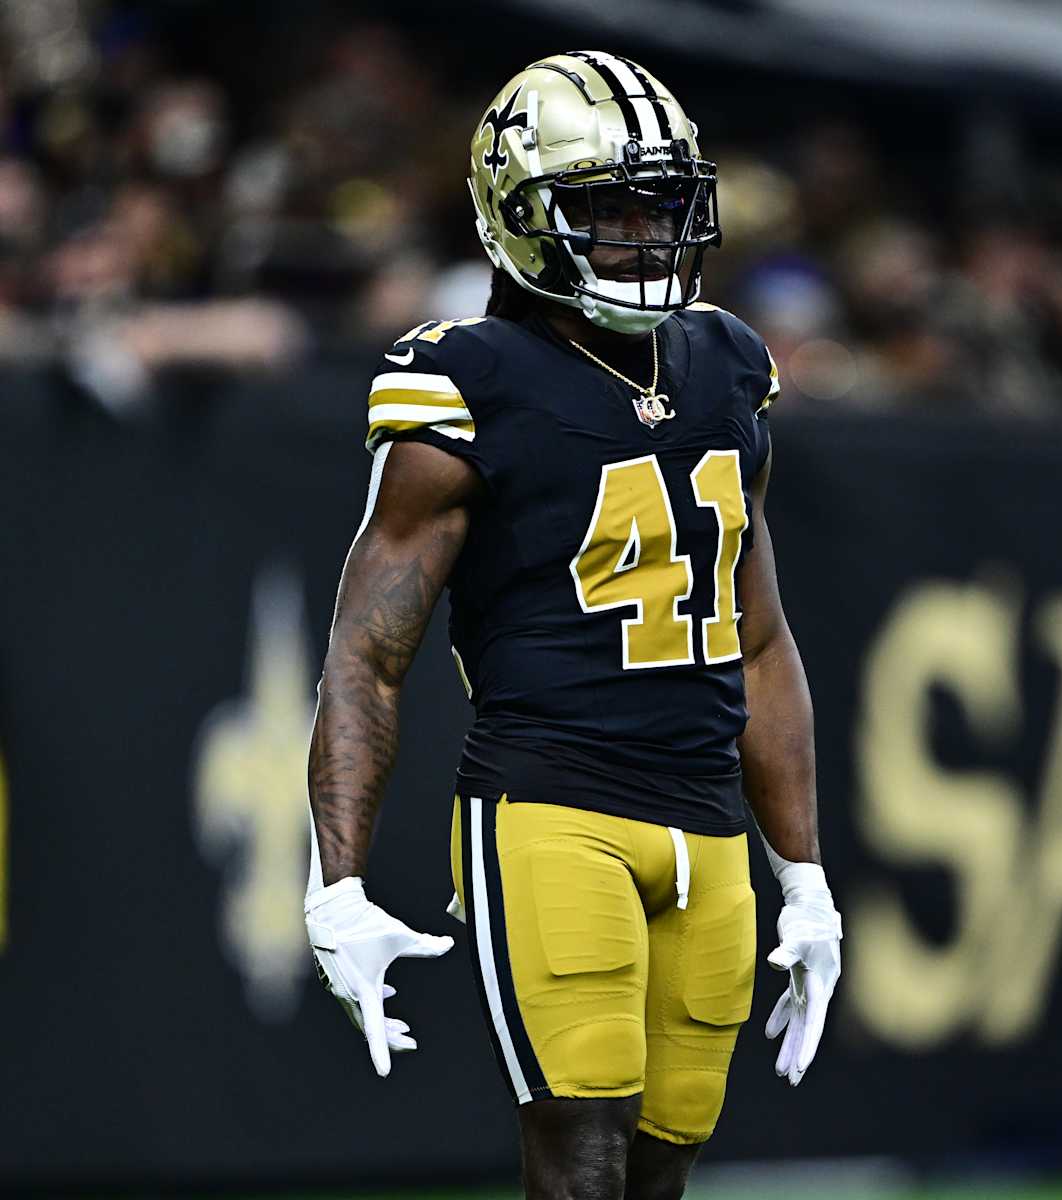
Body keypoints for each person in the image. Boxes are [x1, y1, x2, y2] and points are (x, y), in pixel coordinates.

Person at [301, 52, 842, 1200]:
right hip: (553, 807)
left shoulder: (726, 363)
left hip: (708, 823)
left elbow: (758, 638)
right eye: (607, 208)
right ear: (518, 212)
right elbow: (368, 654)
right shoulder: (468, 379)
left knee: (662, 1168)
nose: (645, 236)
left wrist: (803, 874)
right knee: (580, 1156)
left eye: (661, 205)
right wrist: (336, 881)